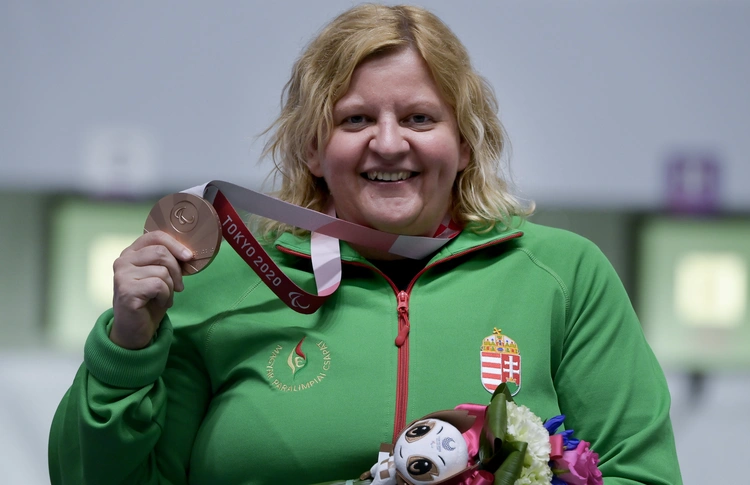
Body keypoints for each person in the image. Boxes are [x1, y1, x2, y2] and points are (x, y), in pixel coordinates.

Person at [48, 4, 683, 485]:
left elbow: (641, 473)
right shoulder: (218, 282)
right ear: (311, 148)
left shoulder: (561, 275)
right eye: (354, 119)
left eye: (419, 118)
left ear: (466, 143)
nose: (388, 143)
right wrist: (126, 348)